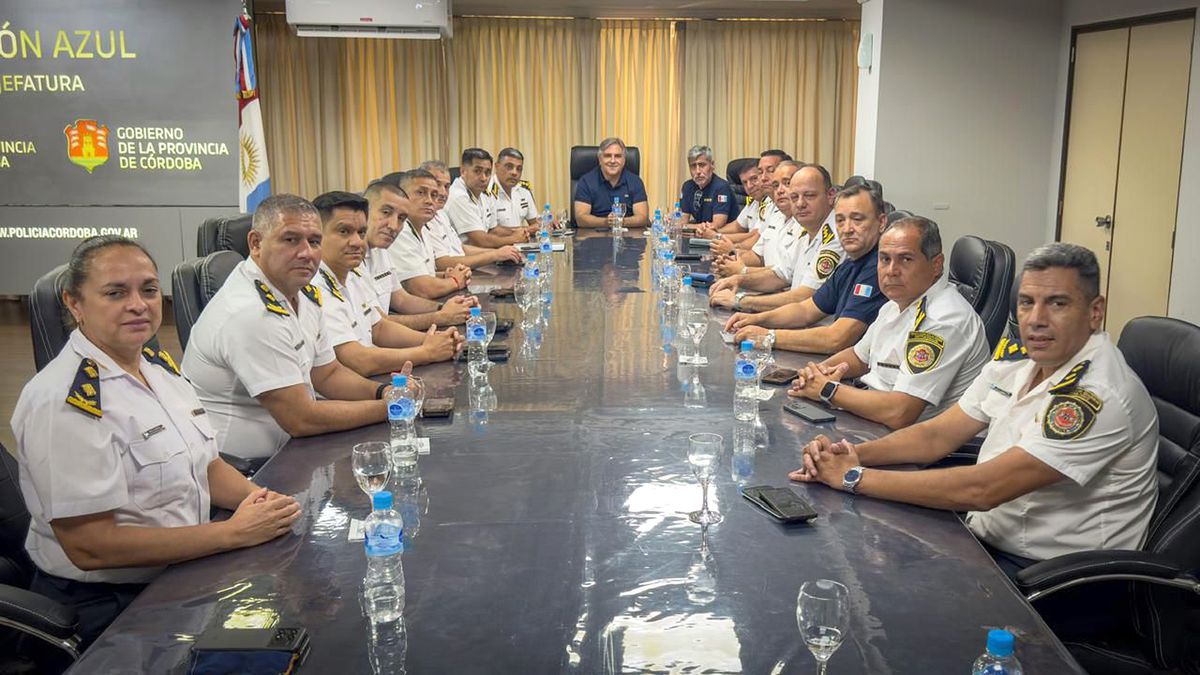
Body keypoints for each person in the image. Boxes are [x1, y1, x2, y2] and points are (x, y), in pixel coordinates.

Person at [790, 243, 1158, 578]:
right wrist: (851, 454)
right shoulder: (1021, 361)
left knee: (867, 578)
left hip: (1048, 576)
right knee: (841, 552)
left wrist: (853, 477)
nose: (1036, 319)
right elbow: (935, 436)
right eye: (1026, 302)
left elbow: (984, 488)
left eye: (1057, 304)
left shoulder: (1097, 393)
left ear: (1095, 312)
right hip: (980, 539)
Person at [11, 236, 301, 646]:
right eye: (115, 293)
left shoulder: (156, 368)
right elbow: (91, 547)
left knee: (299, 614)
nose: (138, 304)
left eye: (148, 290)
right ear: (75, 304)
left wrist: (266, 504)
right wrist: (234, 533)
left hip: (184, 566)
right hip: (110, 605)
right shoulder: (65, 402)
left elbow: (206, 464)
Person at [182, 194, 402, 462]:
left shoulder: (302, 292)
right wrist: (391, 408)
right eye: (290, 240)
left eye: (314, 241)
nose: (306, 253)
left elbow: (328, 374)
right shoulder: (251, 313)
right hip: (251, 468)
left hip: (294, 447)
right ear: (256, 243)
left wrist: (384, 392)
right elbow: (301, 419)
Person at [788, 216, 989, 429]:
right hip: (873, 419)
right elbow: (859, 357)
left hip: (915, 441)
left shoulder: (944, 319)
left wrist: (828, 389)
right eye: (884, 259)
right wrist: (816, 373)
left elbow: (900, 412)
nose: (891, 270)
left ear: (936, 265)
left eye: (906, 259)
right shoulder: (896, 302)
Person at [725, 183, 890, 354]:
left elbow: (836, 339)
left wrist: (768, 336)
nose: (847, 229)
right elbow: (805, 310)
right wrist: (755, 319)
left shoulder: (881, 268)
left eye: (857, 219)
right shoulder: (850, 265)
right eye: (840, 220)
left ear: (881, 222)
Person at [311, 191, 462, 376]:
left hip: (373, 374)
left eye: (361, 232)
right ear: (316, 237)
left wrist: (433, 340)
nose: (357, 242)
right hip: (352, 384)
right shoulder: (315, 287)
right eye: (344, 232)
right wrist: (426, 352)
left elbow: (379, 327)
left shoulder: (352, 273)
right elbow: (358, 361)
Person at [709, 165, 843, 312]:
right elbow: (781, 275)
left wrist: (740, 300)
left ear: (830, 195)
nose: (800, 204)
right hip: (791, 316)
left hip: (811, 323)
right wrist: (739, 279)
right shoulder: (807, 230)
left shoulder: (837, 236)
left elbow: (805, 297)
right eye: (794, 197)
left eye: (809, 195)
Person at [361, 177, 477, 328]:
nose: (393, 225)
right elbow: (377, 325)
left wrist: (448, 308)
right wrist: (441, 317)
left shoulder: (381, 249)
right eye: (386, 212)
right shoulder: (352, 258)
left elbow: (401, 299)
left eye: (401, 218)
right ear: (364, 212)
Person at [416, 161, 522, 270]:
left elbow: (460, 249)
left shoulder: (440, 213)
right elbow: (442, 263)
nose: (443, 193)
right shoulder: (423, 219)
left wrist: (500, 253)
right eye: (437, 185)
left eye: (447, 186)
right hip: (452, 272)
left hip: (460, 270)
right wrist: (495, 255)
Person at [389, 169, 476, 299]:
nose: (429, 201)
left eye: (434, 195)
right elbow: (422, 289)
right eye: (421, 193)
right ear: (402, 197)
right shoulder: (400, 231)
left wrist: (446, 275)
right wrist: (456, 280)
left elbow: (422, 274)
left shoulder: (423, 228)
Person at [712, 160, 800, 275]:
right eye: (776, 185)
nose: (779, 190)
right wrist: (729, 260)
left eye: (787, 183)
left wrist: (741, 270)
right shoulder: (776, 214)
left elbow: (785, 275)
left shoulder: (805, 225)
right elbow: (757, 256)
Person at [446, 148, 528, 248]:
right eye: (477, 171)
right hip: (463, 256)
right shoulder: (459, 196)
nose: (484, 178)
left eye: (488, 172)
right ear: (463, 171)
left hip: (480, 253)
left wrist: (519, 232)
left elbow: (493, 229)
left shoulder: (483, 194)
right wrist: (514, 238)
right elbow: (481, 241)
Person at [573, 137, 650, 229]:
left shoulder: (635, 181)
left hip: (628, 234)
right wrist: (606, 222)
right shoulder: (586, 181)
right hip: (594, 234)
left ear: (624, 160)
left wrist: (620, 221)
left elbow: (643, 217)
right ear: (600, 159)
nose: (612, 161)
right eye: (607, 156)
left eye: (617, 156)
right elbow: (581, 219)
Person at [678, 145, 738, 232]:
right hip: (700, 235)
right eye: (693, 166)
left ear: (712, 165)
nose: (698, 171)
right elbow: (681, 223)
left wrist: (689, 226)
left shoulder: (721, 187)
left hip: (724, 236)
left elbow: (716, 225)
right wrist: (694, 226)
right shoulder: (687, 187)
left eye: (702, 165)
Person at [489, 147, 544, 232]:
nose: (514, 173)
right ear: (497, 166)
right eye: (509, 167)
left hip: (520, 240)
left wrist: (547, 223)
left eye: (519, 169)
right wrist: (526, 229)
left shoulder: (523, 191)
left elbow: (536, 223)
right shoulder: (486, 190)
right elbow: (489, 231)